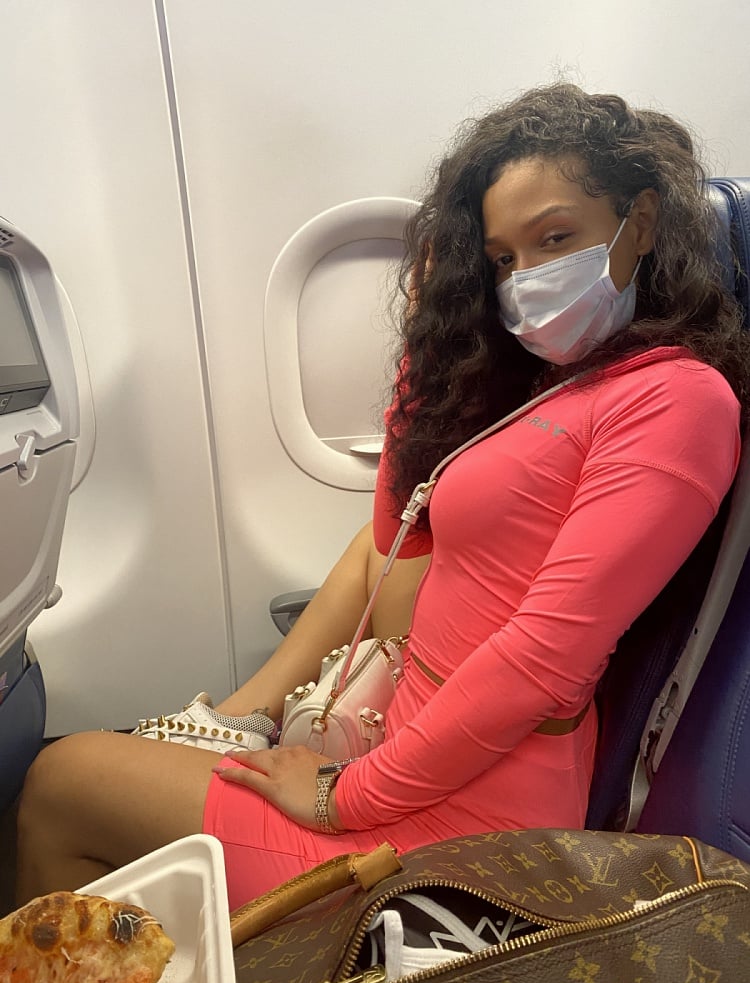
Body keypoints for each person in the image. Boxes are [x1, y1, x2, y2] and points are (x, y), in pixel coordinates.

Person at [16, 83, 748, 911]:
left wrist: (344, 795)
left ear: (640, 223)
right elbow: (403, 530)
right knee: (97, 789)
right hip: (426, 753)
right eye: (503, 260)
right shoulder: (567, 384)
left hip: (473, 823)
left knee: (61, 779)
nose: (528, 278)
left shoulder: (677, 400)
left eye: (555, 238)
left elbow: (542, 663)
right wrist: (425, 341)